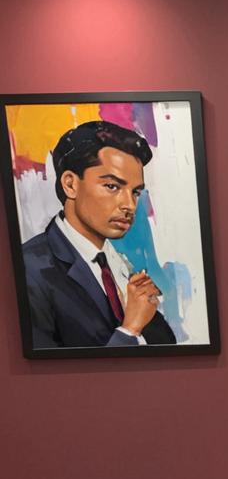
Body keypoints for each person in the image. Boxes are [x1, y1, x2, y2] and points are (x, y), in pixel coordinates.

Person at [22, 120, 175, 349]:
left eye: (135, 192)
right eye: (112, 186)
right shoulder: (30, 268)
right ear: (70, 184)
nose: (129, 205)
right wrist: (130, 329)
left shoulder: (117, 264)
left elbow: (167, 344)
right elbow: (47, 378)